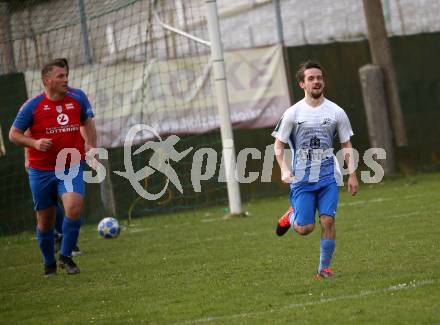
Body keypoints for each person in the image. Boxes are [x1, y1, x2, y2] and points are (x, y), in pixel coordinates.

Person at [9, 58, 96, 276]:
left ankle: (66, 256)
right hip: (42, 170)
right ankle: (49, 262)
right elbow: (14, 135)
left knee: (74, 208)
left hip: (71, 165)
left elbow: (87, 122)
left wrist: (92, 146)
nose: (66, 79)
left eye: (66, 75)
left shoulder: (77, 98)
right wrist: (35, 144)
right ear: (47, 80)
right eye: (60, 76)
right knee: (45, 220)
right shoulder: (32, 106)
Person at [273, 61, 358, 279]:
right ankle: (292, 216)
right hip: (301, 178)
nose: (316, 81)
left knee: (328, 220)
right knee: (305, 228)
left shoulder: (336, 112)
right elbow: (278, 145)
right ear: (302, 84)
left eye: (319, 77)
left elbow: (346, 144)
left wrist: (352, 175)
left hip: (328, 175)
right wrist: (283, 169)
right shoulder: (292, 113)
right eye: (311, 78)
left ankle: (324, 269)